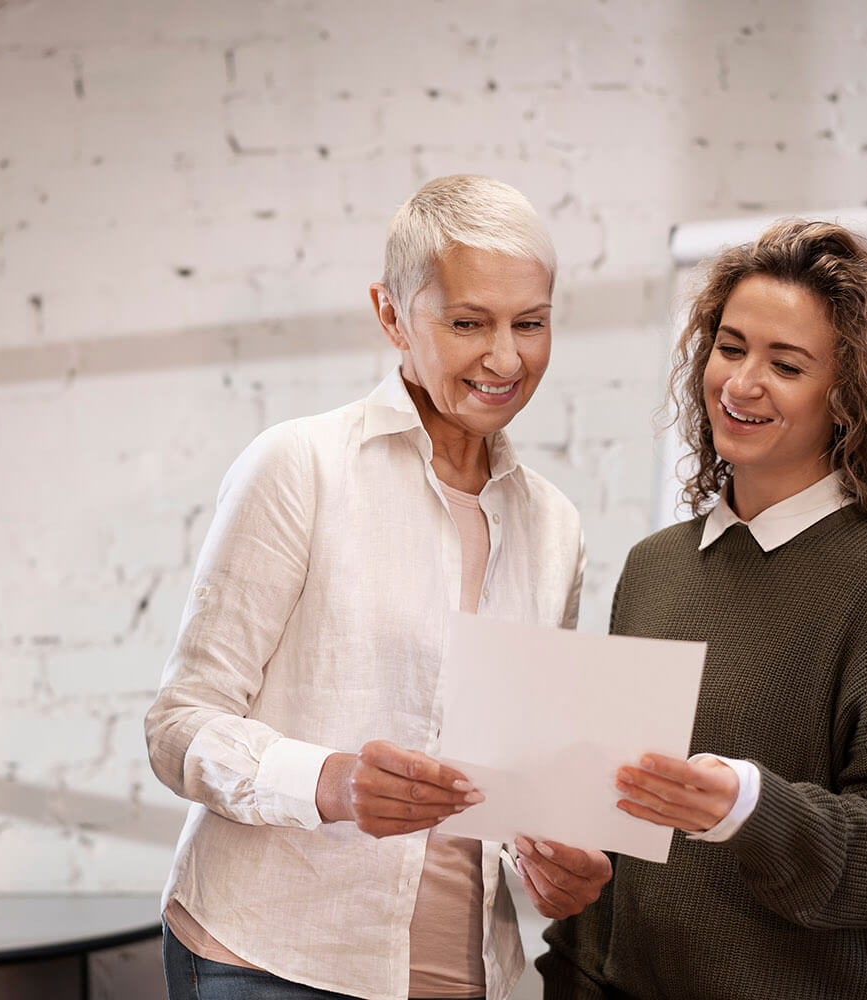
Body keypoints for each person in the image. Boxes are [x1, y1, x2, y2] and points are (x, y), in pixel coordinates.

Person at [146, 174, 612, 1000]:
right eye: (469, 323)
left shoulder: (555, 527)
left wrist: (552, 860)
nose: (506, 358)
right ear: (392, 314)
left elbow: (513, 778)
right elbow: (179, 727)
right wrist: (329, 782)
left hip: (470, 976)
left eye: (530, 324)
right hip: (274, 962)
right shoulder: (301, 467)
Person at [539, 219, 867, 999]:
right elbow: (620, 837)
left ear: (848, 395)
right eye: (731, 346)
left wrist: (750, 805)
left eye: (787, 364)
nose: (742, 384)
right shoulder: (655, 570)